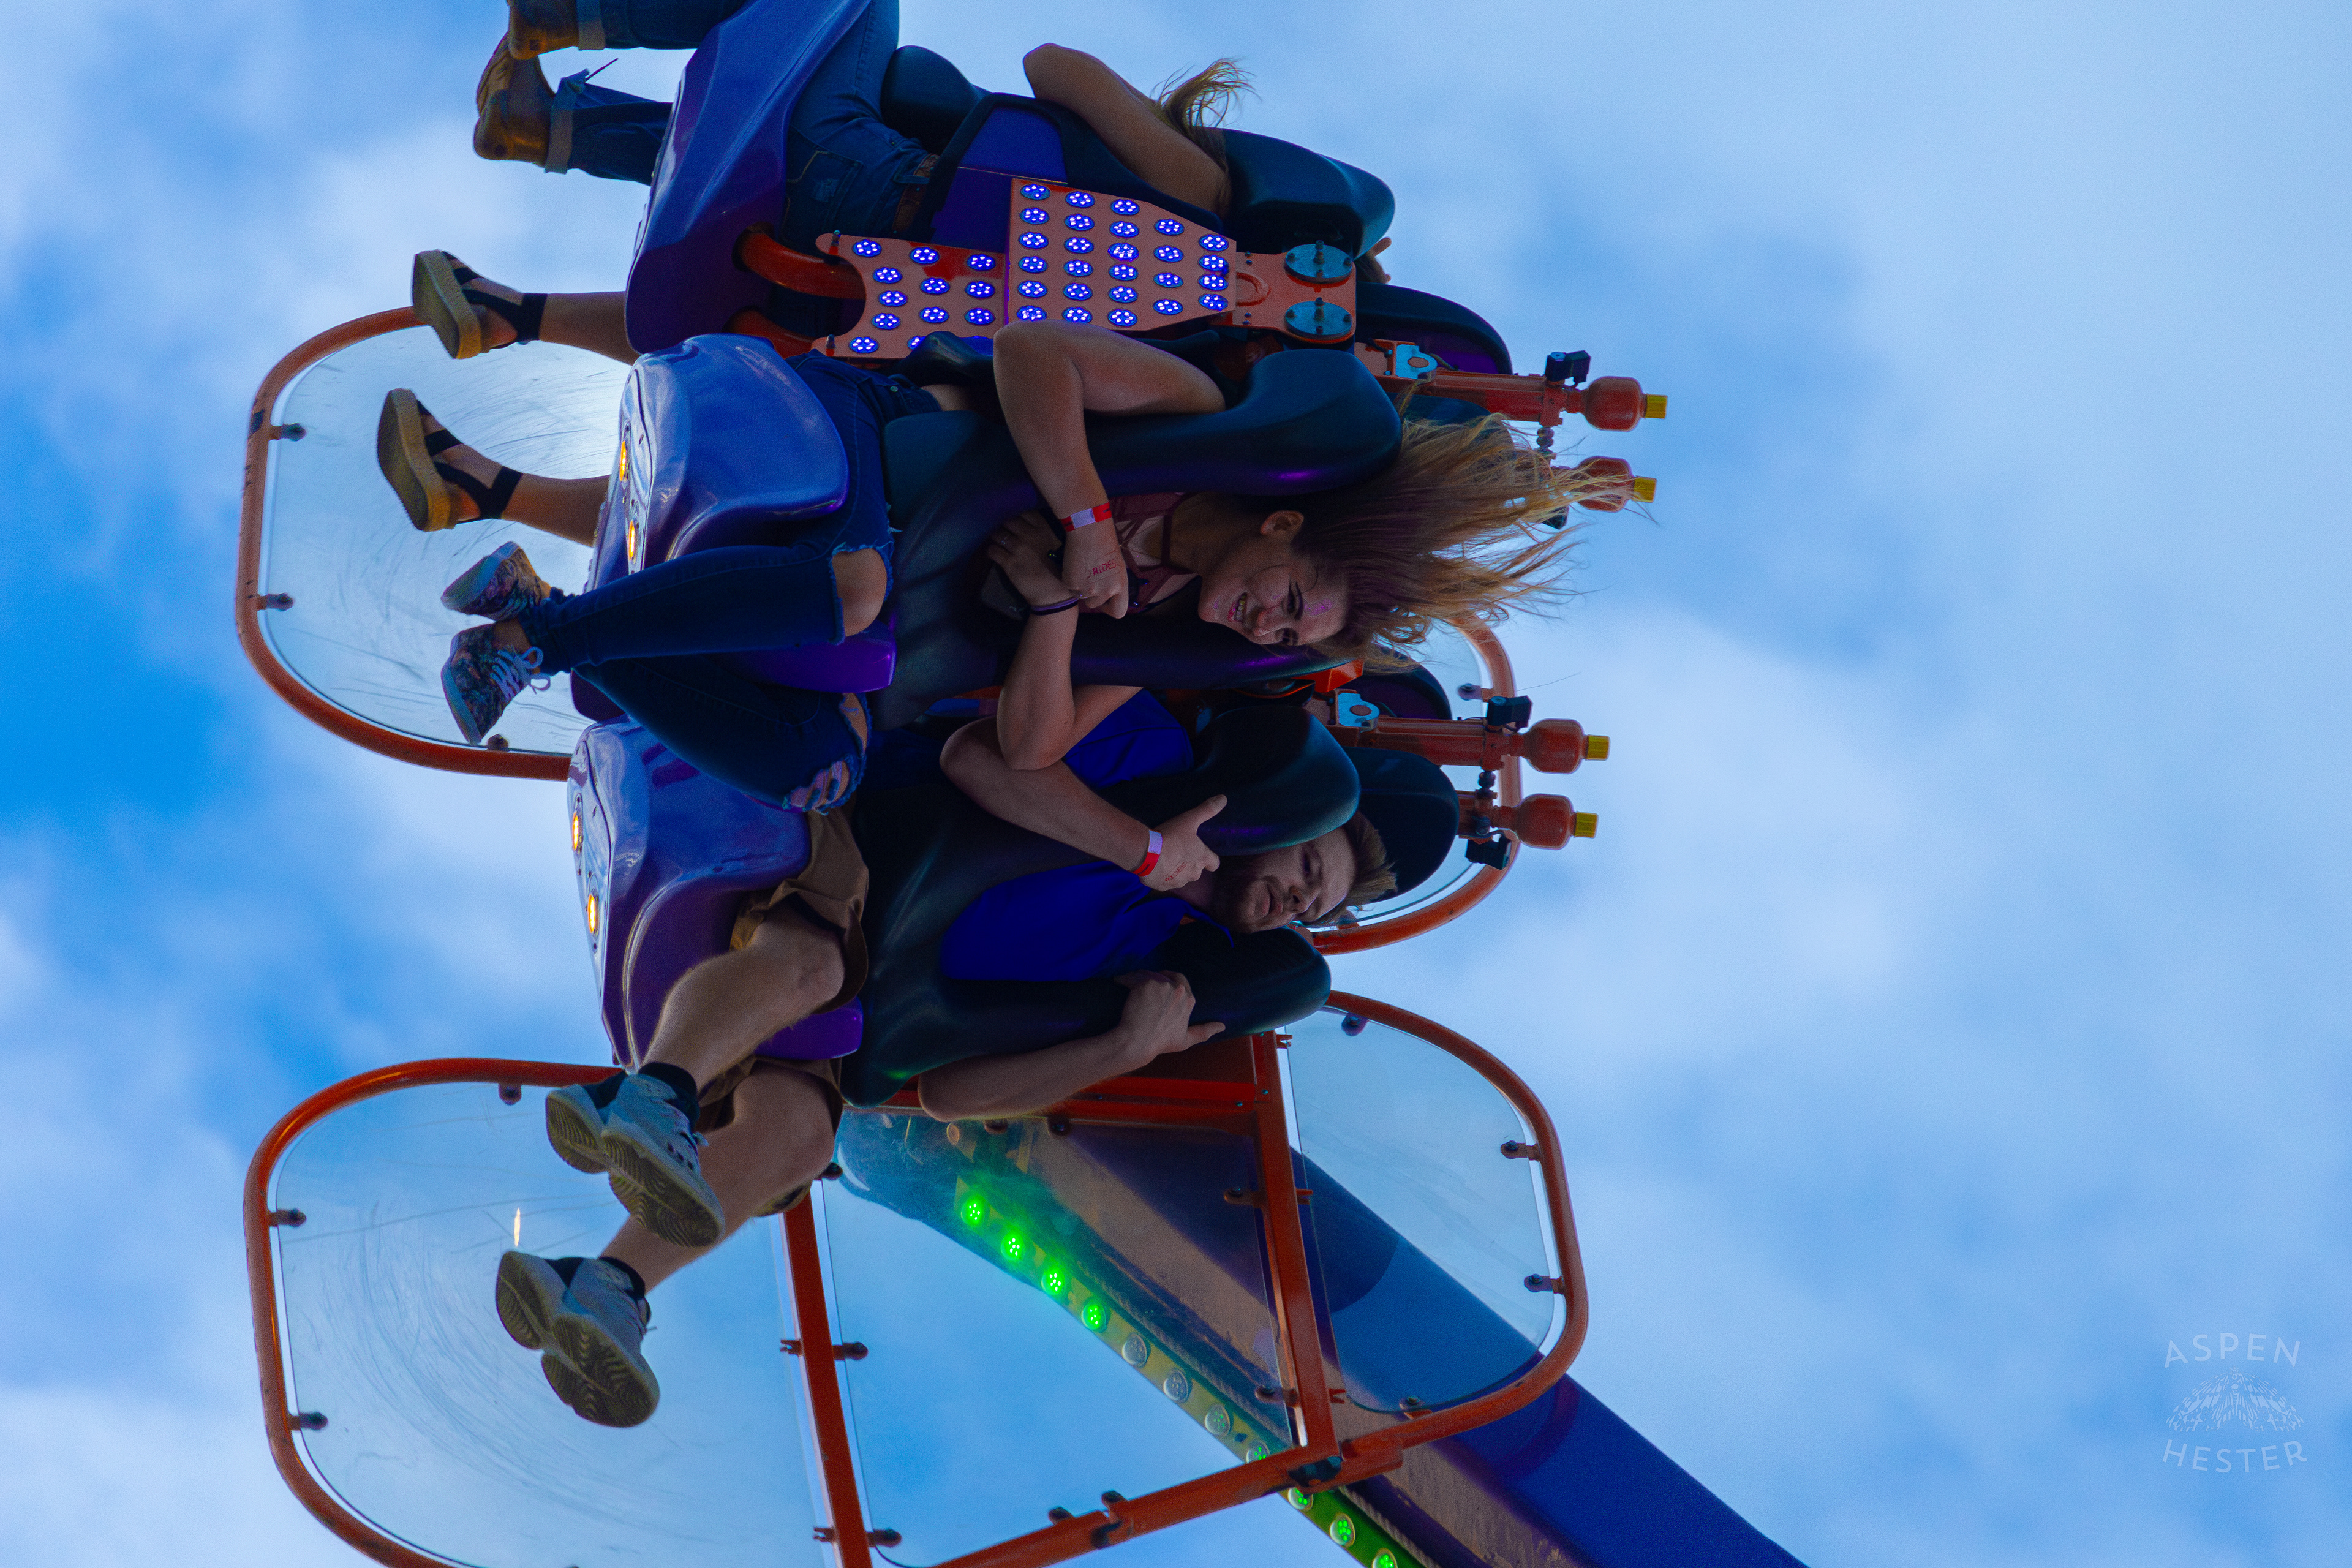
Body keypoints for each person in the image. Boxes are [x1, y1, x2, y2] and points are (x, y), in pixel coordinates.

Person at [496, 715, 1390, 1426]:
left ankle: (600, 1285)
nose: (1302, 898)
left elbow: (953, 1093)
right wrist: (1142, 849)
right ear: (1275, 820)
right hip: (853, 842)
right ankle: (655, 1094)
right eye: (1309, 863)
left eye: (1318, 905)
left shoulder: (1156, 964)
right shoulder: (1153, 756)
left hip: (858, 996)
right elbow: (977, 761)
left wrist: (1121, 1048)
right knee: (814, 966)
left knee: (805, 1137)